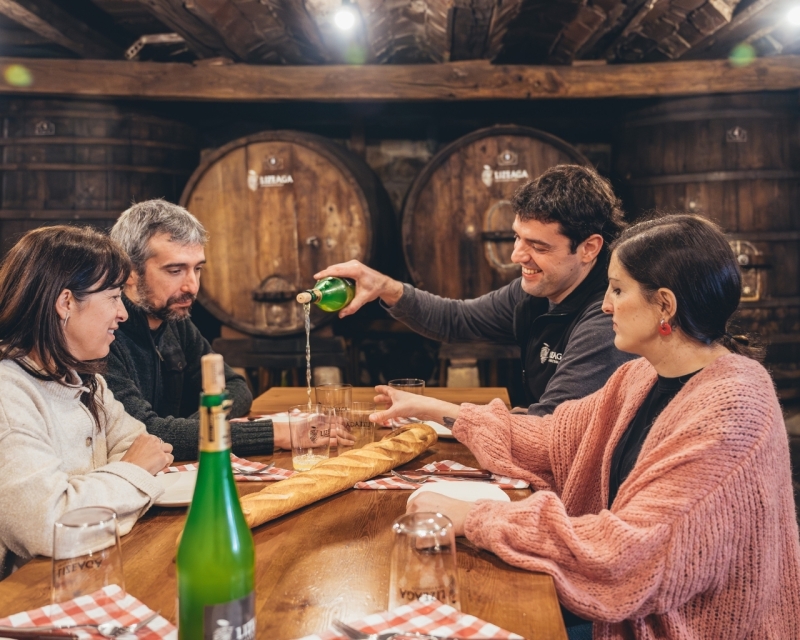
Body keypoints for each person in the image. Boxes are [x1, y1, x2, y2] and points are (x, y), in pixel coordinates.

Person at [373, 214, 800, 639]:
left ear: (665, 305)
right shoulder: (642, 376)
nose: (605, 305)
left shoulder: (733, 411)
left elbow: (630, 556)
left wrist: (475, 518)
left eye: (618, 290)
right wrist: (439, 410)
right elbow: (554, 439)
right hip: (623, 610)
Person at [315, 165, 635, 415]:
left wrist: (434, 410)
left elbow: (549, 429)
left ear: (589, 248)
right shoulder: (536, 293)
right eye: (517, 237)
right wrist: (386, 288)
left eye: (538, 246)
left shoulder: (606, 318)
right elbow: (457, 319)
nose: (516, 256)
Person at [0, 226, 174, 580]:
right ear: (65, 302)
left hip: (85, 572)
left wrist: (90, 497)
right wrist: (132, 473)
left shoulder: (84, 380)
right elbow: (50, 526)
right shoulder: (9, 395)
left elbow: (145, 447)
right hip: (27, 596)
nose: (123, 313)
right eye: (113, 297)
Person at [106, 200, 289, 461]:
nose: (192, 286)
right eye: (175, 270)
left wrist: (192, 433)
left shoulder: (174, 321)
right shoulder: (103, 334)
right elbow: (144, 433)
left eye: (198, 269)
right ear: (129, 271)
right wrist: (273, 433)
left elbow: (235, 387)